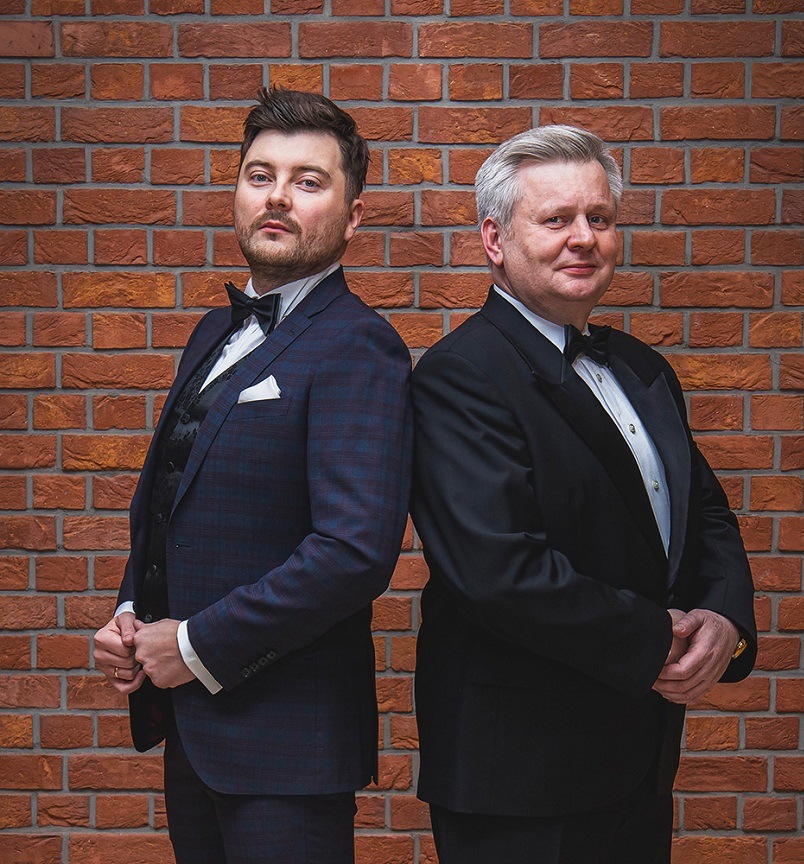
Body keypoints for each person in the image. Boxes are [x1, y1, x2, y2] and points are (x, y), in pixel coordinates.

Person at [410, 125, 756, 864]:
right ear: (495, 240)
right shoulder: (459, 376)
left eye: (599, 218)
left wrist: (726, 616)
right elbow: (499, 572)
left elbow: (704, 511)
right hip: (520, 778)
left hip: (638, 759)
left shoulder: (640, 366)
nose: (583, 239)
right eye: (556, 219)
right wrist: (658, 637)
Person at [93, 87, 412, 864]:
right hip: (193, 731)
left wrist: (195, 644)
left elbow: (353, 551)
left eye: (308, 181)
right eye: (260, 175)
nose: (277, 196)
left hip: (287, 748)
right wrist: (133, 611)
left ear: (353, 216)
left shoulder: (360, 344)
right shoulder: (212, 331)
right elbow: (171, 498)